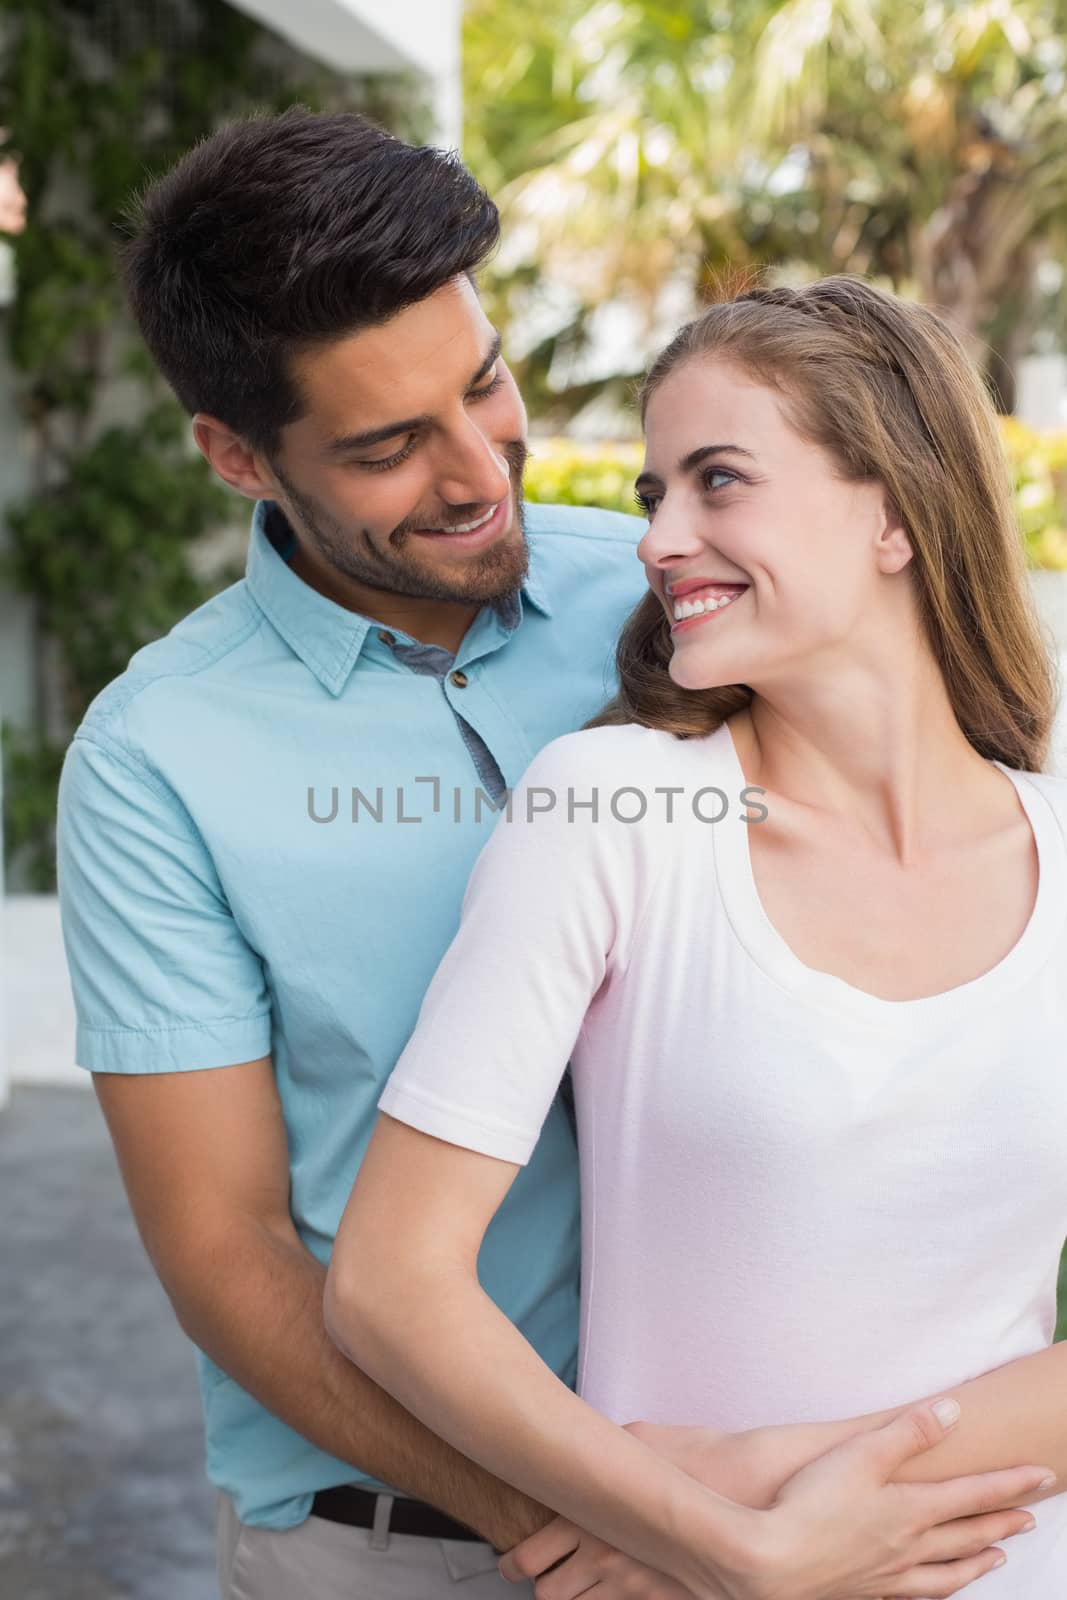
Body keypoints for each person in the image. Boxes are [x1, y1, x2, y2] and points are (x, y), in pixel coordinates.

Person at [324, 275, 1067, 1599]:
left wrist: (745, 1473)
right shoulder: (614, 809)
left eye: (718, 482)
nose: (661, 539)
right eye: (653, 494)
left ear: (894, 512)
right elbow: (388, 1286)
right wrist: (738, 1553)